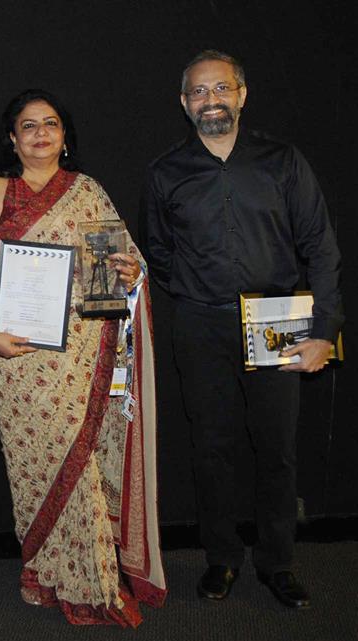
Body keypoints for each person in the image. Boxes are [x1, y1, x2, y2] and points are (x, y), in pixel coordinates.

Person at [141, 50, 343, 609]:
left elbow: (320, 247)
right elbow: (158, 250)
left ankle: (277, 563)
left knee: (277, 451)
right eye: (200, 93)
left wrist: (324, 329)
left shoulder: (283, 161)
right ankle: (223, 559)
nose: (212, 100)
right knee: (212, 450)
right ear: (185, 104)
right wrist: (195, 288)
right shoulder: (165, 172)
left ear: (242, 94)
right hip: (199, 324)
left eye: (221, 89)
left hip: (276, 321)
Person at [0, 89, 166, 626]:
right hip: (18, 356)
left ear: (65, 135)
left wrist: (128, 273)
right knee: (34, 465)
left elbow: (125, 262)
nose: (40, 134)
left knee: (84, 465)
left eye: (50, 124)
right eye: (28, 126)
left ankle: (91, 576)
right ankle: (41, 569)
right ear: (12, 137)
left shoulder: (88, 191)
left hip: (83, 355)